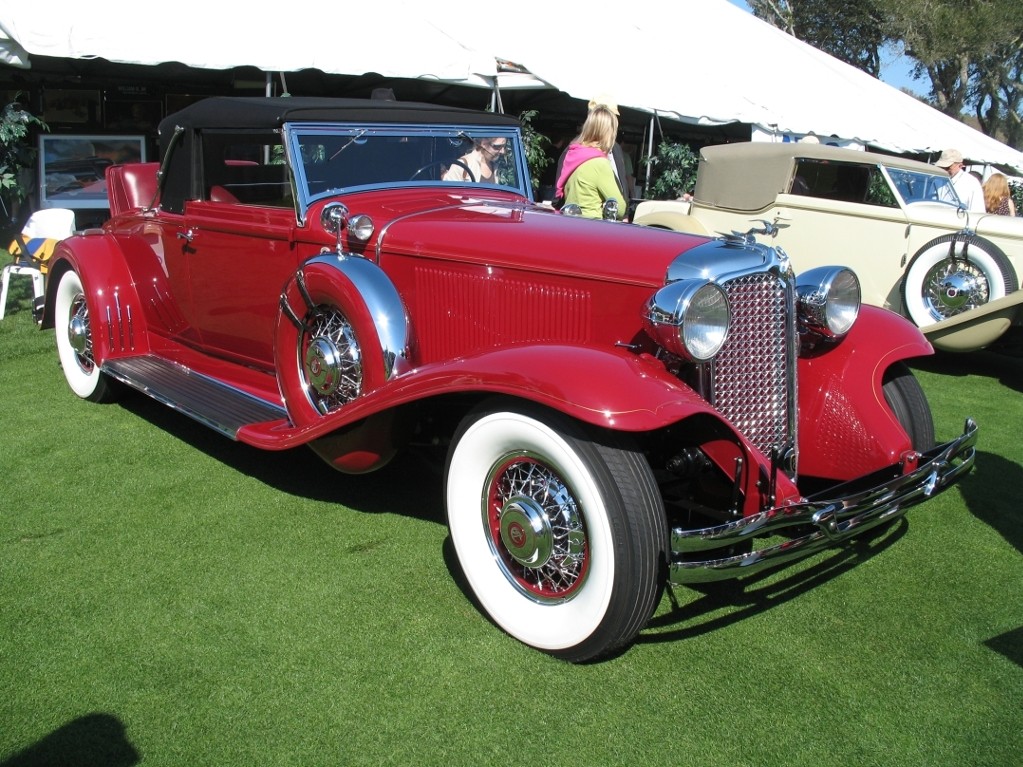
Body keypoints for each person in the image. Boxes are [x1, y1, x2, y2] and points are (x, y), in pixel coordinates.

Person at [554, 105, 626, 219]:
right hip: (593, 228)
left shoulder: (573, 155)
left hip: (570, 226)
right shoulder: (600, 163)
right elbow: (620, 209)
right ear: (608, 133)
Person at [934, 148, 984, 212]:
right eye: (941, 167)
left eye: (948, 168)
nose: (944, 170)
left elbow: (978, 211)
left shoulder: (972, 183)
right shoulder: (937, 179)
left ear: (960, 165)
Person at [442, 137, 508, 183]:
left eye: (504, 146)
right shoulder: (462, 165)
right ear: (484, 144)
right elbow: (450, 195)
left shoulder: (497, 166)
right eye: (497, 147)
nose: (502, 151)